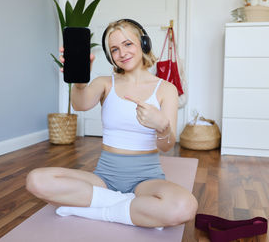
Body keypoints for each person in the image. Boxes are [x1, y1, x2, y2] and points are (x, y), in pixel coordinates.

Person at [26, 19, 198, 229]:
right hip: (104, 179)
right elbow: (80, 105)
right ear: (110, 56)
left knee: (185, 207)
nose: (122, 53)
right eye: (114, 49)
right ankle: (129, 209)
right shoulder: (104, 83)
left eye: (128, 44)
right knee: (36, 180)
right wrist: (80, 84)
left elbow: (167, 146)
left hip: (147, 180)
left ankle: (98, 210)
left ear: (144, 44)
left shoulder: (166, 89)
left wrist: (162, 126)